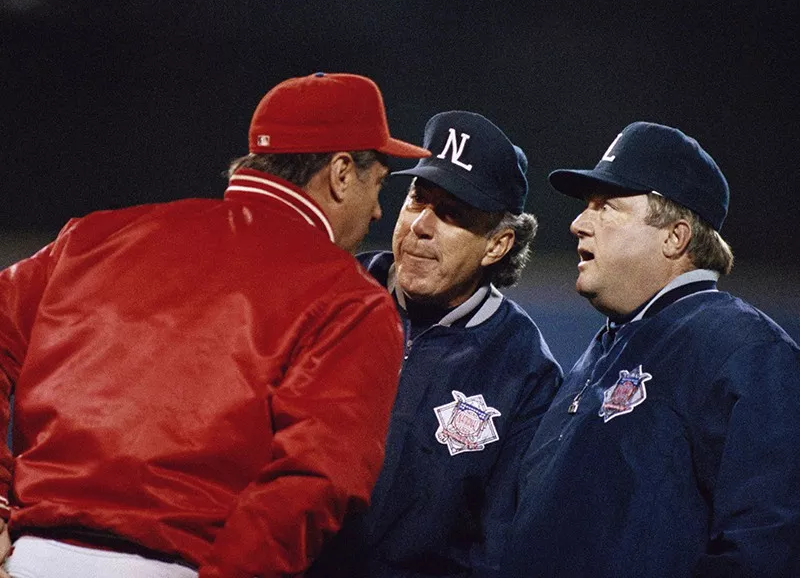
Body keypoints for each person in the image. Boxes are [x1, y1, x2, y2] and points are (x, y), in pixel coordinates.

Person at [0, 72, 430, 577]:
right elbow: (315, 481)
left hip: (28, 556)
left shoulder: (93, 238)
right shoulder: (350, 300)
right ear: (340, 173)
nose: (380, 210)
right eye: (378, 182)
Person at [506, 121, 800, 577]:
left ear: (674, 236)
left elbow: (767, 543)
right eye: (586, 207)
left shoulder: (743, 348)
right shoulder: (606, 348)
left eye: (606, 207)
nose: (579, 223)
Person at [309, 110, 562, 577]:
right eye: (417, 199)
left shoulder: (524, 369)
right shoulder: (331, 292)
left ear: (497, 244)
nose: (421, 226)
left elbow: (500, 544)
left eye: (451, 214)